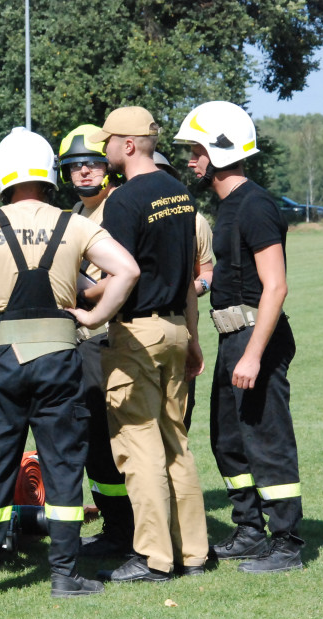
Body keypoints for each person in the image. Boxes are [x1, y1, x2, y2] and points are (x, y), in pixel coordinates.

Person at [0, 127, 140, 598]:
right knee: (62, 466)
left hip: (3, 359)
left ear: (2, 175)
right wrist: (93, 315)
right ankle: (64, 575)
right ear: (47, 173)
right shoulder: (75, 224)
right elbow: (128, 270)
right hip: (61, 359)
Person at [175, 101, 304, 573]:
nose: (192, 160)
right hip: (233, 339)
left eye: (196, 150)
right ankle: (250, 531)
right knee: (228, 442)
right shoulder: (226, 207)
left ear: (220, 150)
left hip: (257, 340)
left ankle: (287, 542)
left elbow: (276, 285)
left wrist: (252, 355)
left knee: (266, 440)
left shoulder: (255, 206)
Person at [84, 106, 209, 583]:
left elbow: (118, 275)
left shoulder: (123, 200)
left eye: (109, 141)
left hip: (137, 332)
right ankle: (193, 552)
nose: (104, 149)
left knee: (140, 447)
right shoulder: (181, 195)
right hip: (177, 327)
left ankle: (154, 557)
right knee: (177, 443)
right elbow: (190, 276)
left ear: (129, 145)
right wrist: (192, 339)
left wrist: (82, 302)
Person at [58, 123, 135, 559]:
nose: (84, 173)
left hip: (107, 335)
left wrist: (79, 293)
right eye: (75, 167)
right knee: (92, 434)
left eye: (92, 164)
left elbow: (116, 279)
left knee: (110, 435)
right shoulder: (76, 214)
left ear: (109, 166)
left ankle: (125, 530)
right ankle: (114, 524)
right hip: (86, 337)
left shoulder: (117, 209)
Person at [154, 150, 214, 430]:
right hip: (130, 334)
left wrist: (194, 287)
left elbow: (208, 273)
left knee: (177, 422)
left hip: (181, 327)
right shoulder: (122, 214)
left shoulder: (195, 221)